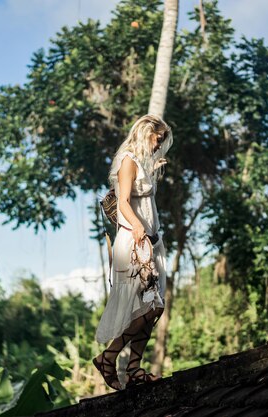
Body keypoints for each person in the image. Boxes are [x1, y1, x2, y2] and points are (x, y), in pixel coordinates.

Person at [93, 114, 173, 390]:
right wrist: (138, 227)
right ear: (145, 133)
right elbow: (124, 202)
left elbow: (143, 195)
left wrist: (152, 168)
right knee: (146, 308)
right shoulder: (128, 160)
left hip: (150, 242)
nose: (158, 143)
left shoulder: (141, 162)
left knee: (154, 308)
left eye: (162, 140)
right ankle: (108, 358)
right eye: (157, 138)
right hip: (134, 243)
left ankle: (135, 368)